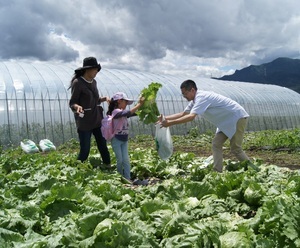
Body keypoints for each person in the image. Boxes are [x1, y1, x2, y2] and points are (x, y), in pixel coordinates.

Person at [159, 79, 250, 172]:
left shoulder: (202, 97)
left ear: (192, 90)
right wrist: (165, 118)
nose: (184, 96)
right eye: (183, 94)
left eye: (185, 93)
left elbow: (191, 117)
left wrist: (169, 123)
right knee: (216, 144)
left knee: (236, 148)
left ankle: (252, 169)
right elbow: (184, 114)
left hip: (237, 117)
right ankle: (217, 171)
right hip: (225, 122)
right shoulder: (194, 101)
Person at [69, 57, 111, 167]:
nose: (96, 72)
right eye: (95, 69)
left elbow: (95, 100)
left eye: (97, 69)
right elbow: (72, 102)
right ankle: (76, 170)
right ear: (87, 69)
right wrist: (77, 107)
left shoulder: (94, 82)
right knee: (85, 150)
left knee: (102, 145)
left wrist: (104, 98)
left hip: (97, 119)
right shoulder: (78, 83)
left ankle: (108, 165)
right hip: (85, 122)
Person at [107, 92, 144, 180]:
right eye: (126, 102)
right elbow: (129, 112)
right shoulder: (115, 112)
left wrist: (144, 108)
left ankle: (127, 178)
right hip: (116, 139)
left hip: (124, 139)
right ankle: (119, 177)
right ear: (119, 101)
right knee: (119, 160)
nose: (127, 104)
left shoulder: (123, 113)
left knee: (126, 160)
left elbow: (133, 113)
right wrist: (140, 104)